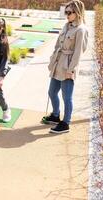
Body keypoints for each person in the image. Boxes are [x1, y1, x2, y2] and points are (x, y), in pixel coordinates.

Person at [42, 0, 88, 134]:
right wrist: (53, 59)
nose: (66, 14)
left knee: (67, 97)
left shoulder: (81, 30)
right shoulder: (66, 26)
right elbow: (58, 44)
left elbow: (78, 52)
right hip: (58, 64)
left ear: (77, 13)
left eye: (69, 12)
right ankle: (56, 115)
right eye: (65, 12)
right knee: (51, 92)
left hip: (68, 66)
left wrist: (71, 70)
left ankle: (66, 123)